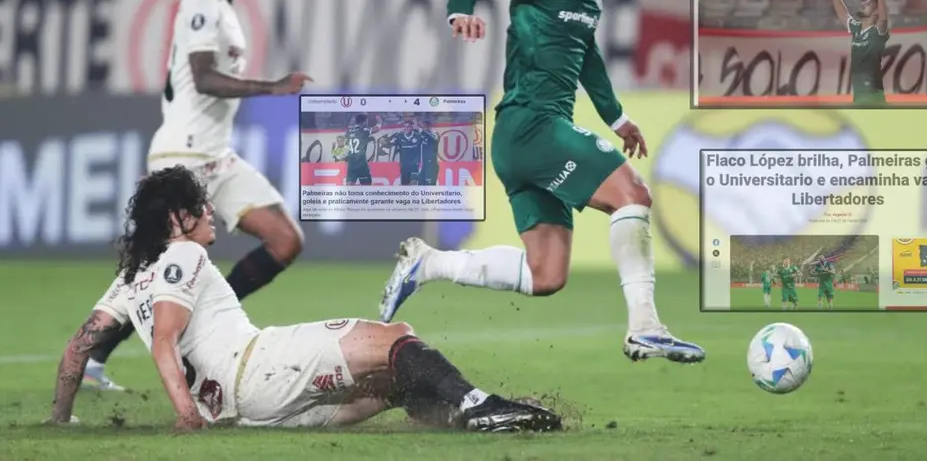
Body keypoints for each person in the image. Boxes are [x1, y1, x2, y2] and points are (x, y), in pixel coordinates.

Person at [378, 0, 705, 364]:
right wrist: (460, 13)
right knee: (631, 194)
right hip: (532, 125)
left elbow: (587, 60)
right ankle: (646, 327)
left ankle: (428, 263)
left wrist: (617, 118)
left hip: (526, 140)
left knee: (545, 275)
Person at [48, 166, 562, 433]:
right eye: (198, 206)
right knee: (394, 339)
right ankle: (480, 406)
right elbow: (164, 341)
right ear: (177, 221)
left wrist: (61, 421)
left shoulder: (131, 276)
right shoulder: (183, 256)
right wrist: (183, 414)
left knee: (390, 384)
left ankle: (473, 414)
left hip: (240, 411)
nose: (211, 212)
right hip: (256, 369)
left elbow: (75, 352)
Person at [80, 0, 312, 391]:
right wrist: (270, 87)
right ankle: (87, 356)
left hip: (217, 156)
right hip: (181, 155)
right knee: (150, 273)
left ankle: (207, 321)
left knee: (284, 239)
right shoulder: (200, 3)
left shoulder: (227, 11)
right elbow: (203, 77)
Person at [822, 0, 890, 106]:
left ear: (876, 12)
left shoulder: (877, 32)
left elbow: (883, 18)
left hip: (873, 97)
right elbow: (842, 14)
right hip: (859, 96)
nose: (863, 3)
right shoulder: (857, 29)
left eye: (868, 3)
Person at [345, 114, 382, 185]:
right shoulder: (364, 130)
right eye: (366, 121)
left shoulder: (348, 131)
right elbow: (377, 128)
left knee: (349, 186)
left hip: (351, 163)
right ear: (364, 122)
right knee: (366, 186)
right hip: (361, 162)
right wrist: (379, 120)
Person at [390, 120, 423, 186]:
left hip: (414, 164)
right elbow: (391, 143)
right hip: (404, 164)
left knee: (414, 183)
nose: (406, 128)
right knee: (405, 184)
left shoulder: (418, 136)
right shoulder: (399, 136)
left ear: (412, 127)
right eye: (405, 127)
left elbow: (426, 134)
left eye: (408, 127)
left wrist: (418, 128)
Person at [418, 118, 441, 186]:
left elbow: (434, 140)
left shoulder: (435, 134)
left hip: (432, 164)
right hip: (425, 164)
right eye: (422, 127)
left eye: (425, 126)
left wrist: (424, 132)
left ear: (429, 126)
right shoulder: (422, 135)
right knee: (420, 183)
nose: (423, 128)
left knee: (430, 185)